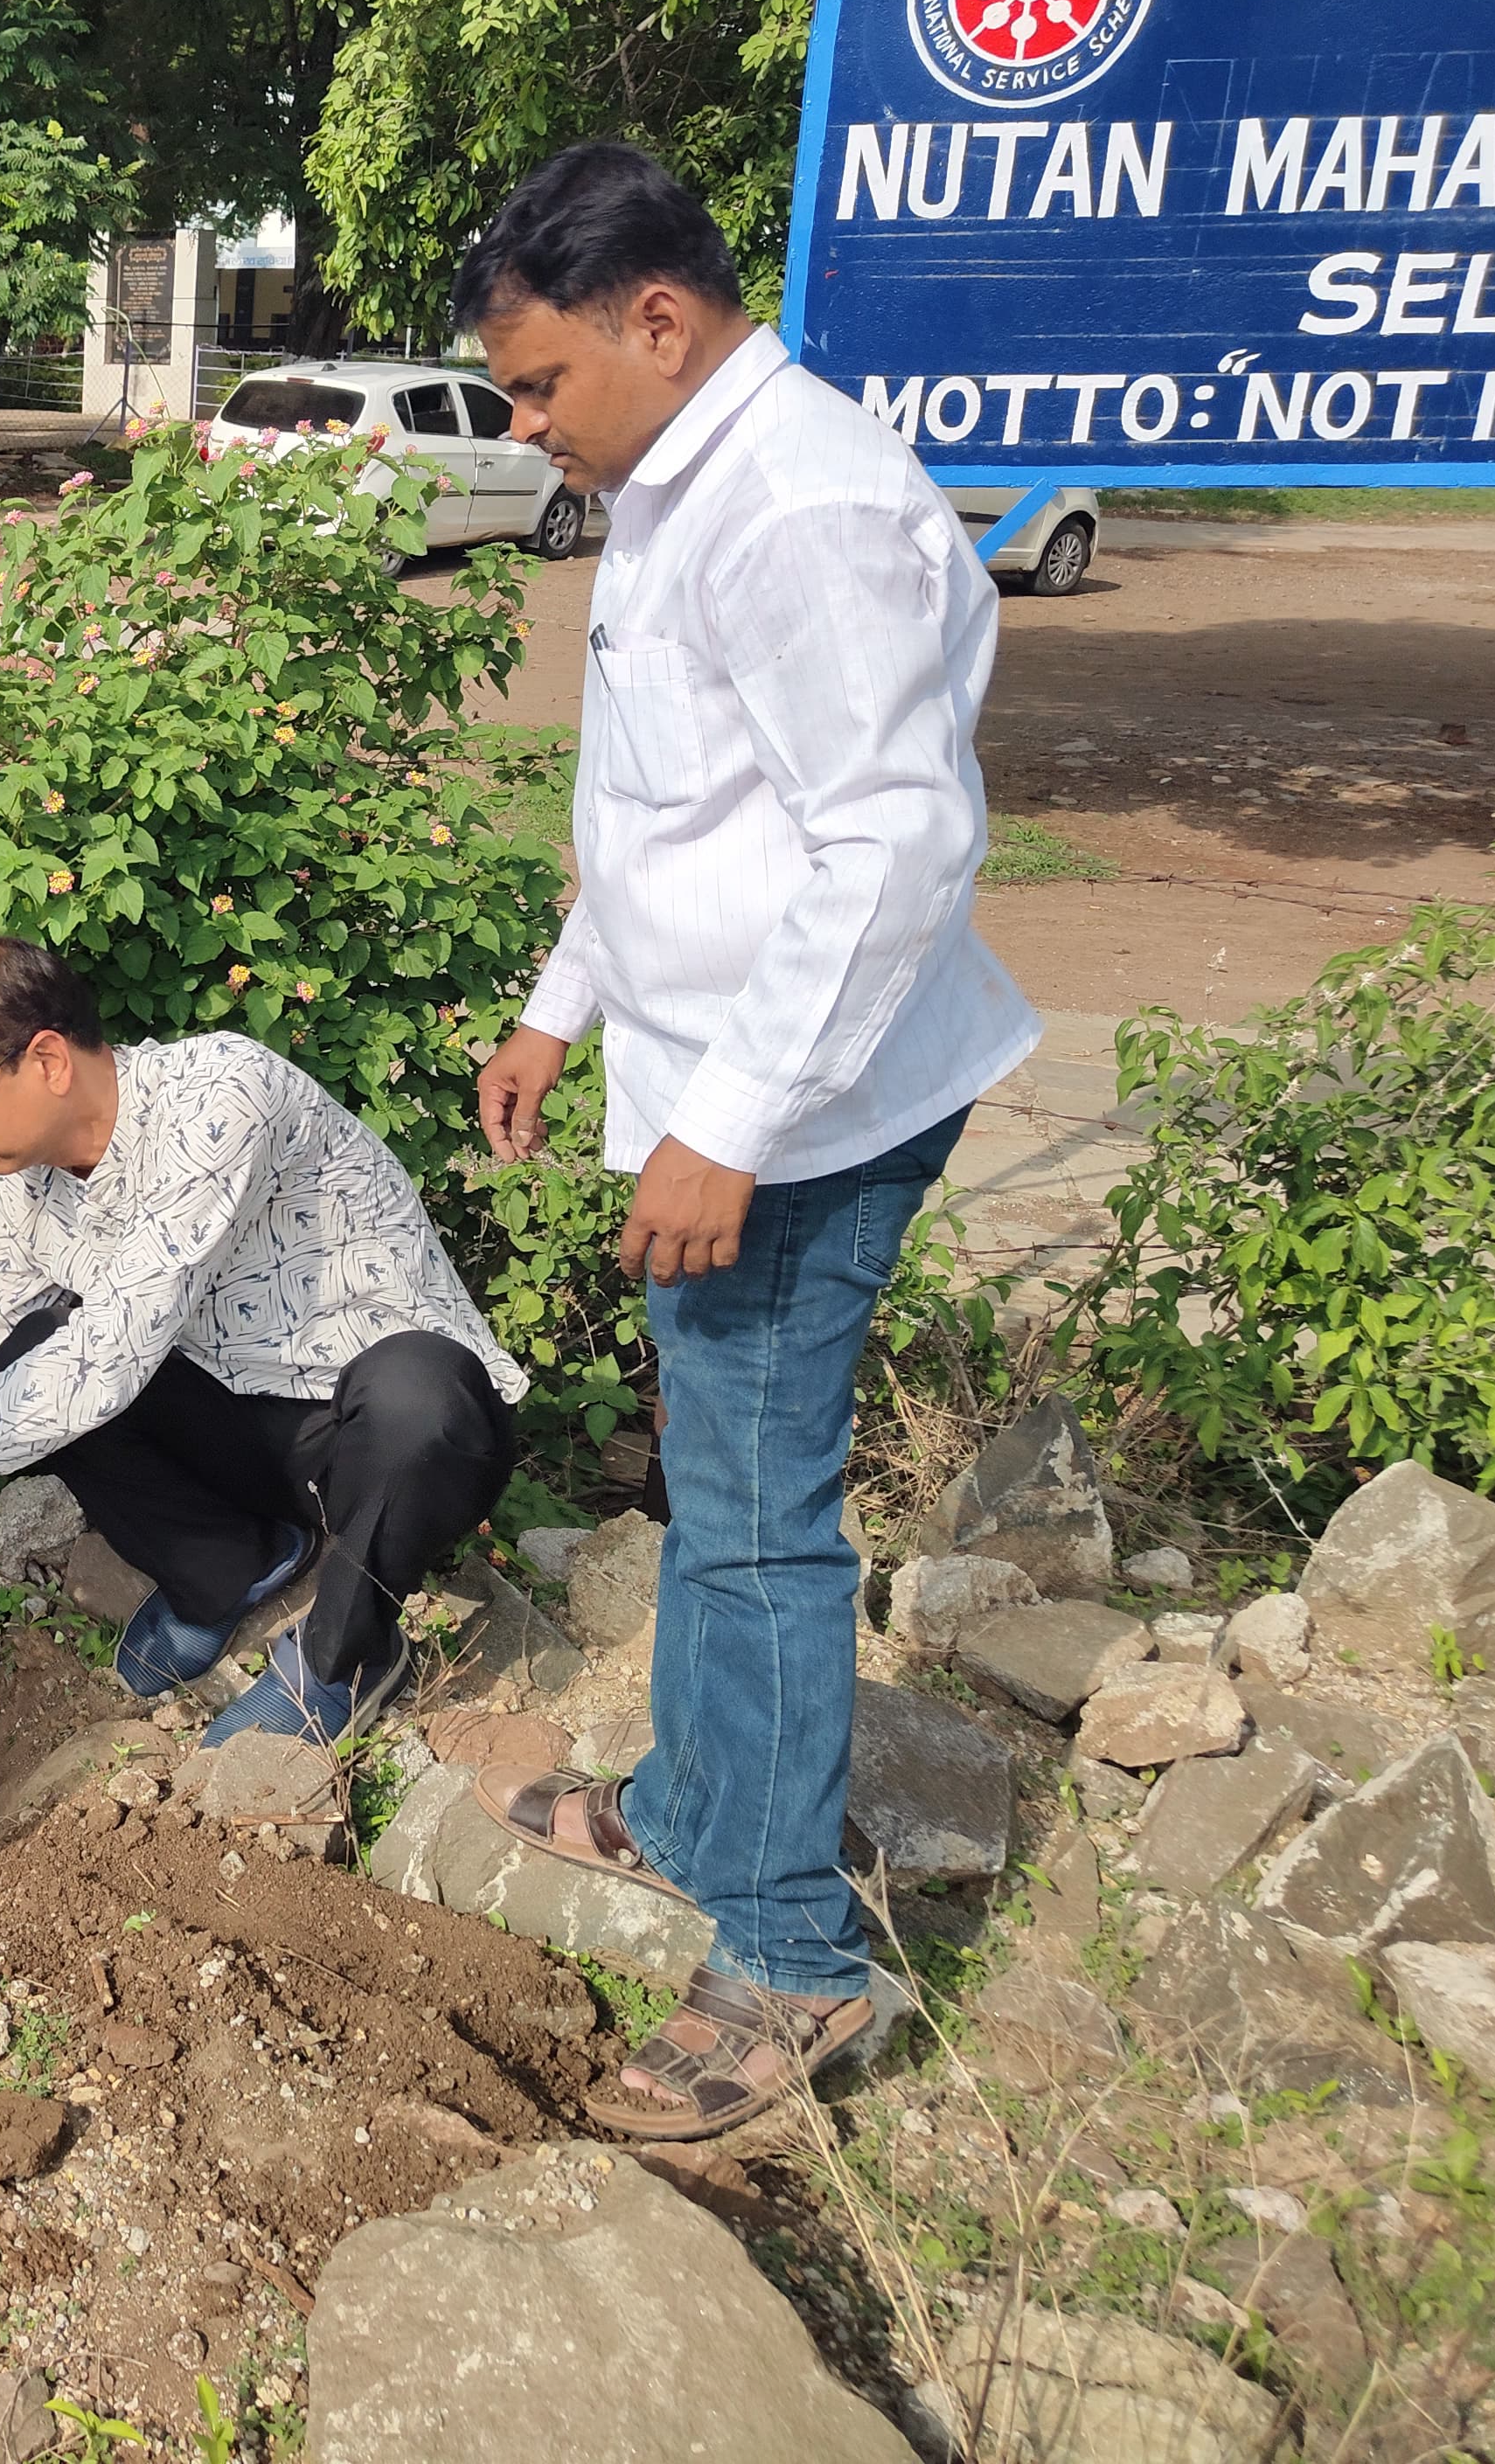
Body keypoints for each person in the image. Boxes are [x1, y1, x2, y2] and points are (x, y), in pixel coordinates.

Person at [461, 141, 1040, 2139]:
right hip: (730, 1073)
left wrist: (727, 1122)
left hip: (807, 1102)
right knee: (714, 1465)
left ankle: (791, 1950)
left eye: (538, 387)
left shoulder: (790, 502)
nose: (527, 429)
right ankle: (700, 1803)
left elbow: (890, 840)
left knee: (765, 1501)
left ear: (658, 316)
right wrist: (564, 1000)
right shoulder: (684, 480)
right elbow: (675, 817)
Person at [0, 938, 529, 1747]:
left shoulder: (219, 1093)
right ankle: (229, 1569)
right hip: (248, 1434)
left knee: (418, 1394)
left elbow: (104, 1362)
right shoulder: (28, 1194)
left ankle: (342, 1660)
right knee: (26, 1352)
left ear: (46, 1060)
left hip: (375, 1441)